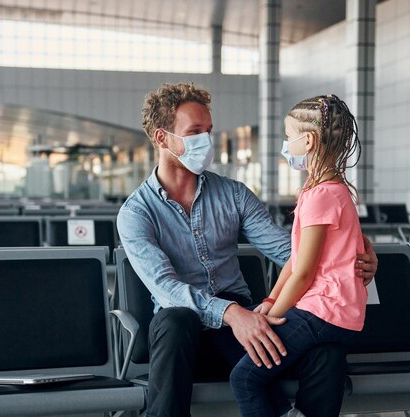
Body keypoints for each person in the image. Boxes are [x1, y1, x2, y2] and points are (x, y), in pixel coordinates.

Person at [116, 83, 377, 417]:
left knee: (326, 349)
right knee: (175, 320)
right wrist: (231, 313)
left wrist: (352, 257)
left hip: (238, 328)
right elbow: (165, 287)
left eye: (208, 131)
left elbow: (291, 252)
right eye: (195, 132)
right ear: (162, 137)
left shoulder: (234, 195)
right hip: (183, 338)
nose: (206, 141)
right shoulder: (137, 212)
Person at [230, 94, 368, 417]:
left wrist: (271, 316)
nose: (286, 144)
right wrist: (269, 302)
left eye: (288, 137)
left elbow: (305, 273)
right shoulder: (328, 190)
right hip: (331, 311)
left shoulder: (320, 195)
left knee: (244, 378)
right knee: (259, 358)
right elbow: (295, 260)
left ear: (307, 141)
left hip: (323, 310)